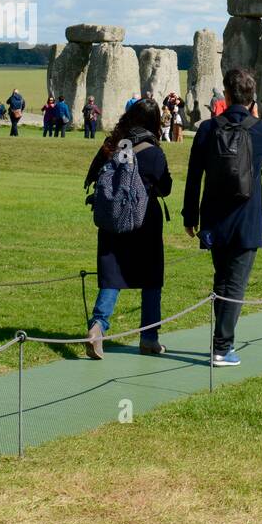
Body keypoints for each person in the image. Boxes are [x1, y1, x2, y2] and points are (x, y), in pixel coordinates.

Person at [182, 67, 262, 367]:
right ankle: (222, 347)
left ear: (226, 95)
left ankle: (221, 342)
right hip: (246, 219)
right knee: (235, 284)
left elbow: (193, 177)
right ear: (252, 97)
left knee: (222, 280)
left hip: (214, 218)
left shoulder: (207, 129)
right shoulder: (259, 129)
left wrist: (190, 216)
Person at [83, 99, 173, 359]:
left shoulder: (114, 145)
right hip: (144, 220)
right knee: (151, 279)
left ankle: (98, 328)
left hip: (113, 220)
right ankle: (149, 338)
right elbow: (165, 187)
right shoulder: (153, 152)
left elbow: (93, 177)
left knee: (113, 278)